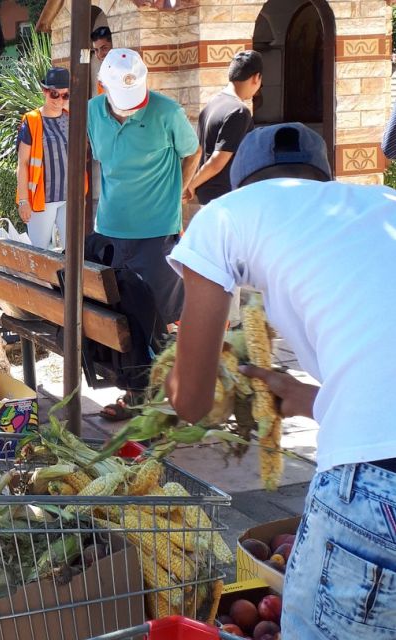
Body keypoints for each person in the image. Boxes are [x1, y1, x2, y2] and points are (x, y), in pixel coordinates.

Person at [165, 121, 396, 638]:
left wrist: (171, 381)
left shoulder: (224, 214)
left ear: (243, 183)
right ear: (322, 179)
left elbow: (192, 402)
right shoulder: (381, 206)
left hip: (377, 487)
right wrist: (313, 399)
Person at [87, 48, 200, 419]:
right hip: (110, 231)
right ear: (103, 86)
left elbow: (192, 151)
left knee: (164, 319)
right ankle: (137, 395)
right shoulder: (92, 113)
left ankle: (178, 396)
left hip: (157, 233)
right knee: (123, 320)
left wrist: (179, 191)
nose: (132, 107)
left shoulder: (167, 112)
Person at [184, 50, 262, 205]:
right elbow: (218, 160)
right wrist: (189, 185)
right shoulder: (239, 111)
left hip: (208, 195)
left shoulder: (212, 104)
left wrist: (192, 182)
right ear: (256, 77)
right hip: (226, 197)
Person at [17, 66, 72, 250]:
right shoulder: (32, 120)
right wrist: (23, 200)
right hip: (42, 199)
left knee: (72, 253)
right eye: (55, 94)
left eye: (65, 95)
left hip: (70, 196)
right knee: (39, 253)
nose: (59, 100)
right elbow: (23, 163)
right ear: (45, 91)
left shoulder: (72, 118)